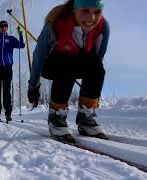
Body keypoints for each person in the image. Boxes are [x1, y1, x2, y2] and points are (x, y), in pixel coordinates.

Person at [27, 0, 110, 140]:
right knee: (68, 63)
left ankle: (86, 117)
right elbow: (38, 57)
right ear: (74, 9)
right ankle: (56, 116)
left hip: (78, 62)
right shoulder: (55, 24)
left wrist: (92, 85)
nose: (92, 18)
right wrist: (33, 88)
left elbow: (97, 59)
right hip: (53, 65)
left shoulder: (102, 27)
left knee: (96, 67)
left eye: (97, 12)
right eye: (85, 11)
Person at [0, 20, 25, 122]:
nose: (3, 28)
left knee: (7, 91)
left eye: (5, 26)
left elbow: (22, 45)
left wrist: (20, 34)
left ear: (7, 28)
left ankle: (8, 114)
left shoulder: (11, 39)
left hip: (7, 68)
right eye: (2, 26)